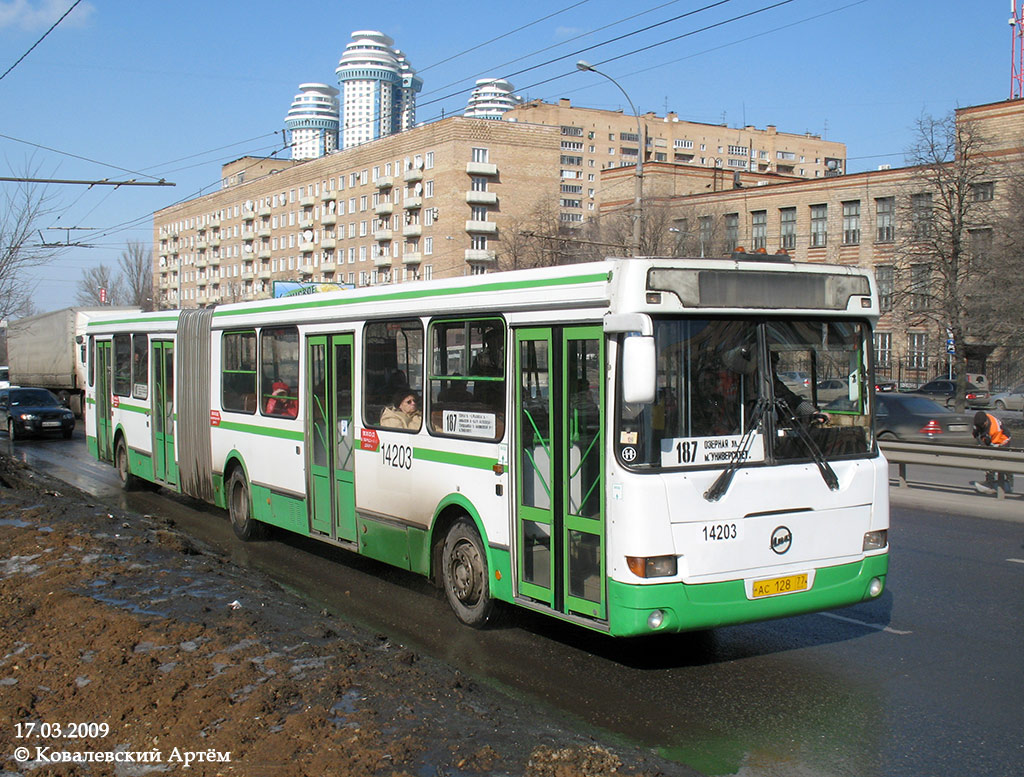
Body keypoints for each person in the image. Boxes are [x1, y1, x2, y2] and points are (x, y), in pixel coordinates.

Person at [970, 411, 1012, 495]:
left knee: (997, 462)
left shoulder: (994, 429)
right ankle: (989, 480)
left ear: (985, 422)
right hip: (991, 439)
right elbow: (977, 430)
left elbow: (991, 445)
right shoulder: (982, 419)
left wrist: (985, 443)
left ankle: (1007, 483)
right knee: (988, 460)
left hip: (1002, 441)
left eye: (981, 426)